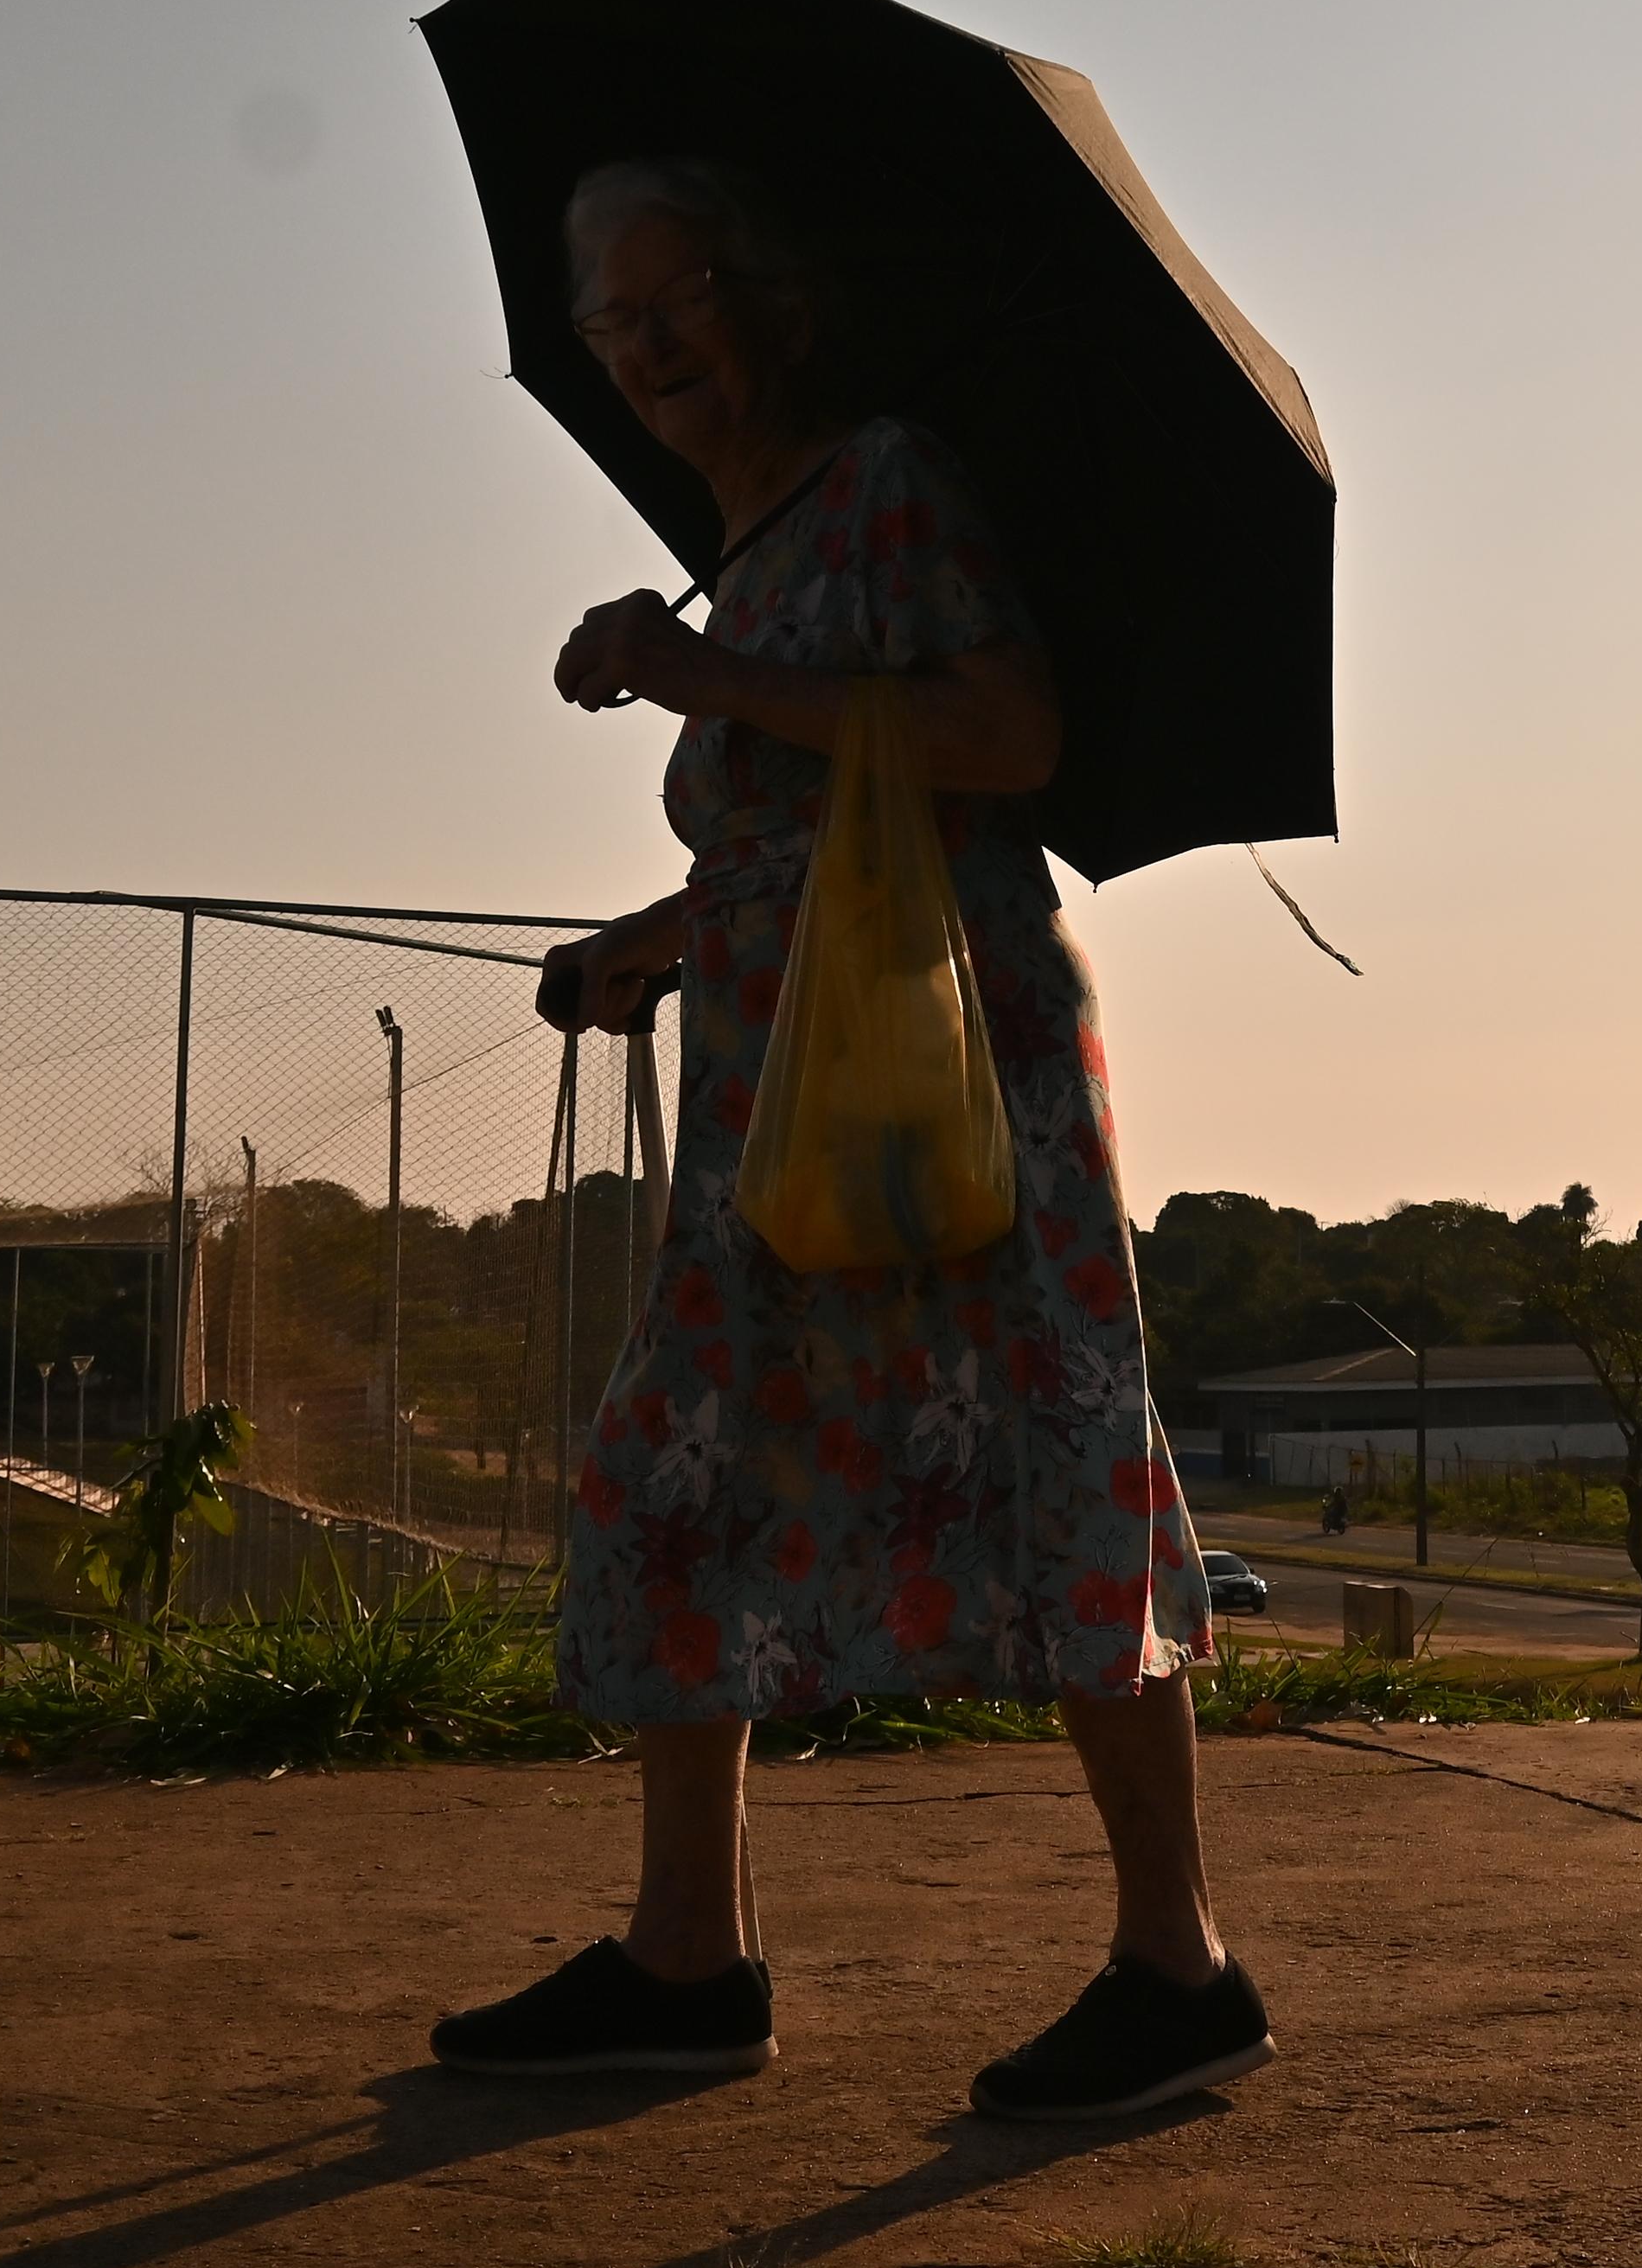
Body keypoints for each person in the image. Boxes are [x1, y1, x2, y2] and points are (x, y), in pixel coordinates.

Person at [426, 158, 1271, 2121]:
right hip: (782, 1063)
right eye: (609, 323)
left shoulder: (886, 476)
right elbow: (815, 824)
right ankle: (685, 1956)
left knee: (1053, 1450)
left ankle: (1179, 1959)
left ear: (775, 292)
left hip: (950, 1057)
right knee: (672, 1468)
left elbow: (1004, 739)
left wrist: (691, 667)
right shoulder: (756, 538)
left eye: (677, 296)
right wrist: (660, 935)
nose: (643, 349)